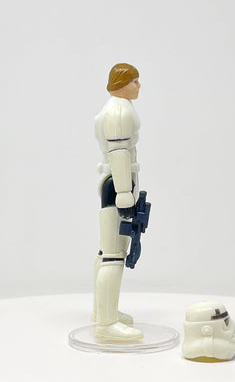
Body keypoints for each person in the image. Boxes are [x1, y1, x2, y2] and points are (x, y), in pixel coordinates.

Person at [92, 63, 143, 341]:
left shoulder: (116, 107)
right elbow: (120, 152)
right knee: (113, 254)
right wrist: (124, 193)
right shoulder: (119, 111)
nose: (138, 86)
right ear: (121, 83)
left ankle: (102, 311)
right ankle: (106, 323)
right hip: (117, 182)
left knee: (106, 252)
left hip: (115, 180)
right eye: (134, 81)